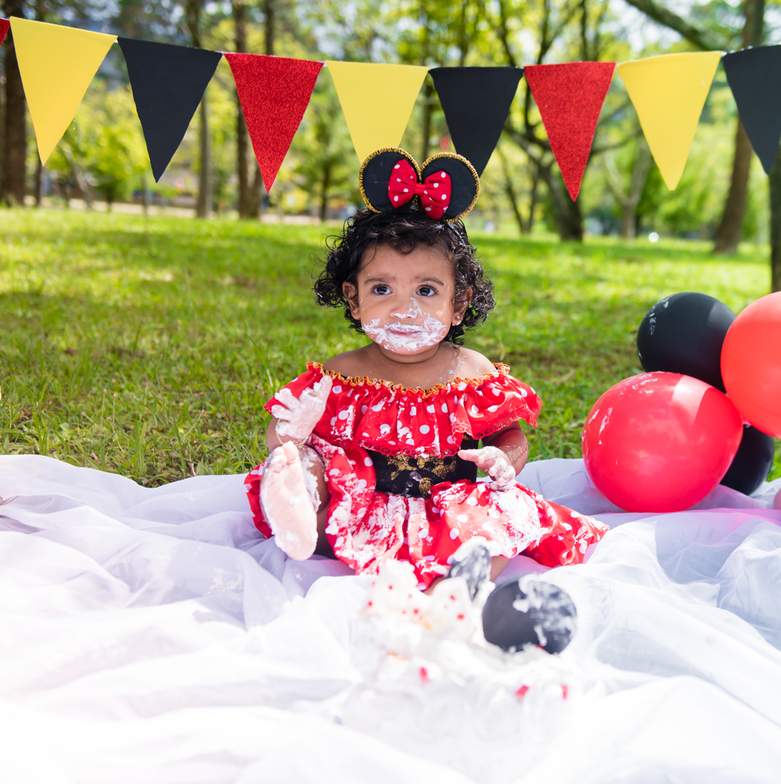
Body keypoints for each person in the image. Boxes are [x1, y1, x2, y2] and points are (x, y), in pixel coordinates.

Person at [243, 149, 608, 653]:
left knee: (505, 513)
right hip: (364, 503)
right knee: (306, 457)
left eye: (427, 290)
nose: (404, 307)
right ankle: (299, 508)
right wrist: (292, 435)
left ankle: (458, 587)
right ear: (354, 299)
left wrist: (505, 460)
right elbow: (280, 430)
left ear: (459, 303)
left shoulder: (471, 372)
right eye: (382, 287)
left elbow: (511, 435)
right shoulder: (342, 372)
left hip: (449, 507)